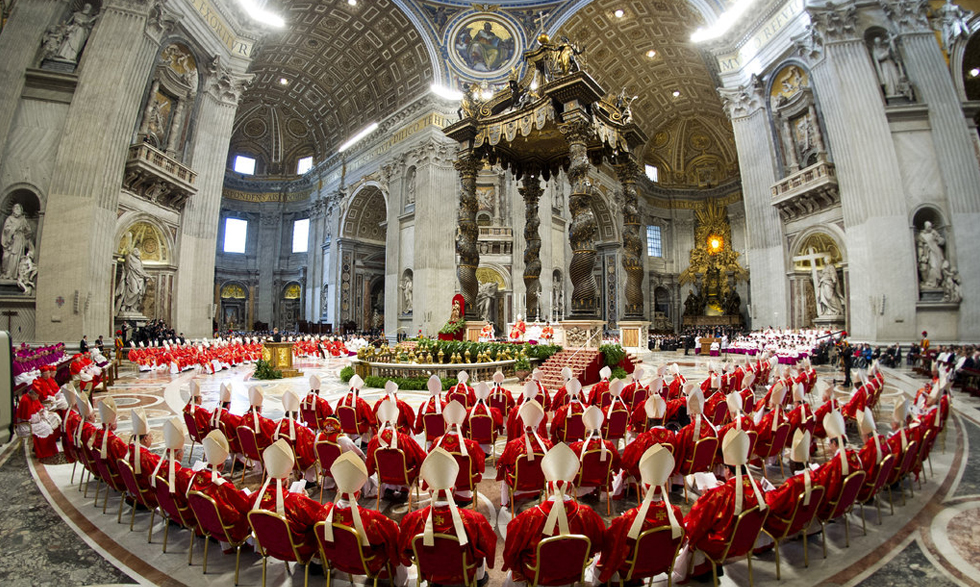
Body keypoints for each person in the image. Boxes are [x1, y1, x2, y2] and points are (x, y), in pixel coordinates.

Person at [502, 444, 605, 585]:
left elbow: (512, 549)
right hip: (574, 573)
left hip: (538, 574)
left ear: (547, 488)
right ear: (571, 489)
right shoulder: (587, 515)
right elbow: (599, 543)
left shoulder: (529, 517)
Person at [399, 449, 497, 585]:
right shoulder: (474, 519)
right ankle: (478, 579)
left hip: (430, 571)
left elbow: (404, 549)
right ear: (455, 490)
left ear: (429, 492)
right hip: (463, 569)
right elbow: (489, 544)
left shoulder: (412, 519)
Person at [596, 444, 684, 583]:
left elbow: (612, 542)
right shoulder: (676, 513)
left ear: (642, 492)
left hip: (632, 567)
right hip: (663, 564)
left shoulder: (631, 517)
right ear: (663, 490)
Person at [321, 453, 405, 585]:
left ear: (338, 490)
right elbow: (393, 533)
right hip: (366, 562)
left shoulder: (323, 512)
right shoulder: (372, 519)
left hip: (336, 559)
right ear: (359, 494)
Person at [1, 203, 33, 280]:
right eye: (15, 208)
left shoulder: (23, 220)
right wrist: (13, 229)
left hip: (19, 240)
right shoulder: (9, 218)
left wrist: (24, 233)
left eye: (19, 208)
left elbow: (29, 231)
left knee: (16, 257)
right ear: (13, 209)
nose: (17, 209)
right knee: (6, 257)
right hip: (11, 240)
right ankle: (6, 273)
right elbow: (6, 229)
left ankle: (14, 275)